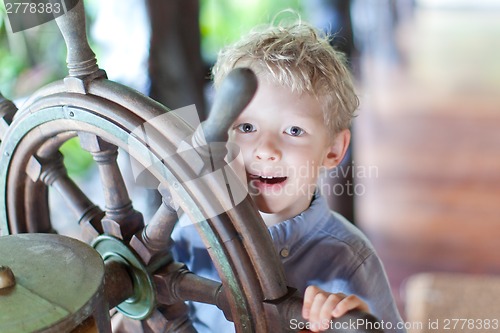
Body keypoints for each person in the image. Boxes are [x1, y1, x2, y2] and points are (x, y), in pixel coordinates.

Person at [173, 20, 405, 332]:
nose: (265, 149)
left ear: (333, 150)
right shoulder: (190, 230)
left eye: (294, 130)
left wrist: (359, 321)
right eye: (247, 127)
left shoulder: (350, 261)